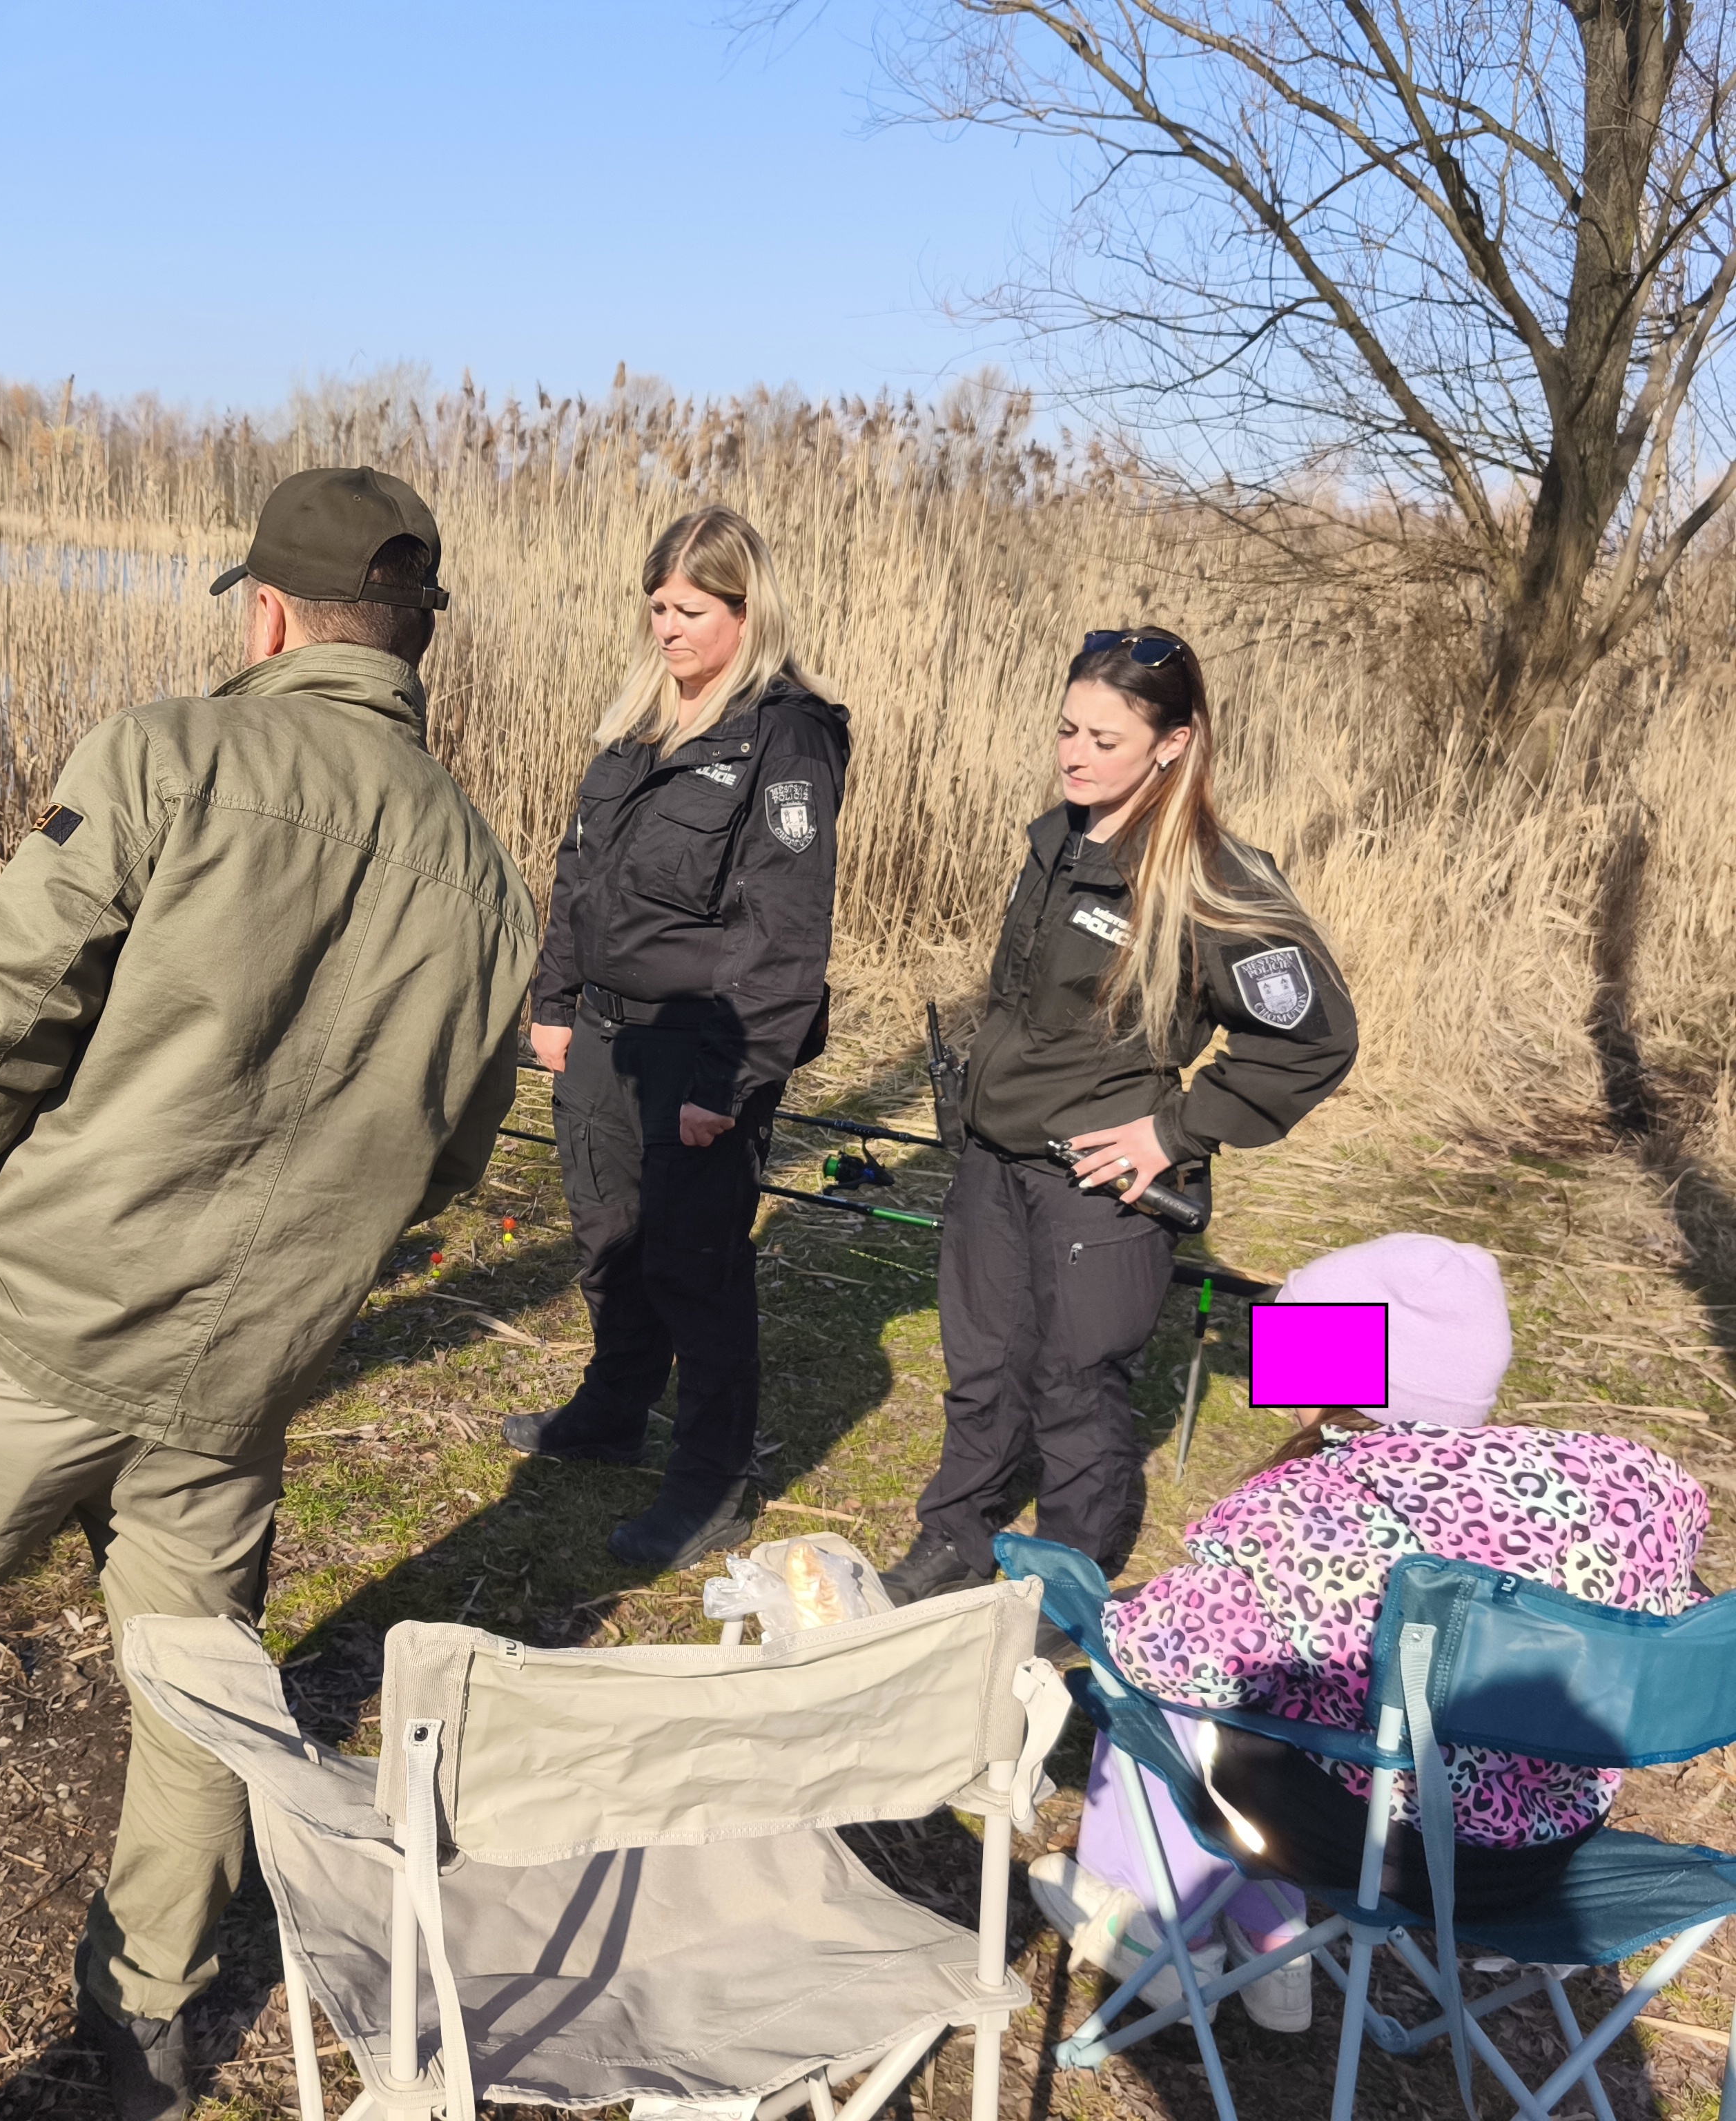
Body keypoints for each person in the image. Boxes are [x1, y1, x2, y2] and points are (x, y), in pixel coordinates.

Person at [0, 467, 537, 2121]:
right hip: (238, 1376)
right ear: (414, 635)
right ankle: (150, 2025)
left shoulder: (169, 758)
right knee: (198, 1681)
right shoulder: (487, 882)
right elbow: (445, 1163)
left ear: (268, 615)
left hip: (35, 1323)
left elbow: (1, 1011)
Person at [1026, 1234, 1713, 2033]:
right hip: (1544, 1854)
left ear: (1339, 1362)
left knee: (1157, 1677)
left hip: (1375, 1851)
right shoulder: (1624, 1494)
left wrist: (1114, 1615)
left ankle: (1158, 1929)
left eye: (1294, 1338)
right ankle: (1269, 1934)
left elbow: (1165, 1653)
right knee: (1298, 1684)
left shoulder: (1317, 1504)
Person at [884, 626, 1358, 1604]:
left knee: (1076, 1383)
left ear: (1172, 744)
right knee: (982, 1368)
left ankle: (1068, 1577)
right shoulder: (1056, 839)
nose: (1075, 754)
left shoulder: (1214, 877)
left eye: (1105, 740)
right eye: (1068, 729)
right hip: (994, 1159)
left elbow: (1311, 1036)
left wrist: (1173, 1133)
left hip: (1099, 1180)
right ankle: (955, 1535)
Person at [503, 506, 848, 1570]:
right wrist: (554, 1001)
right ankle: (613, 1410)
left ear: (748, 610)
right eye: (657, 606)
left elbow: (786, 932)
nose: (667, 627)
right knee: (610, 1240)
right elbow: (577, 875)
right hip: (603, 1034)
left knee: (696, 1268)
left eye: (691, 609)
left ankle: (711, 1483)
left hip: (699, 1043)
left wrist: (729, 1081)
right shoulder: (642, 723)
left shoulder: (785, 738)